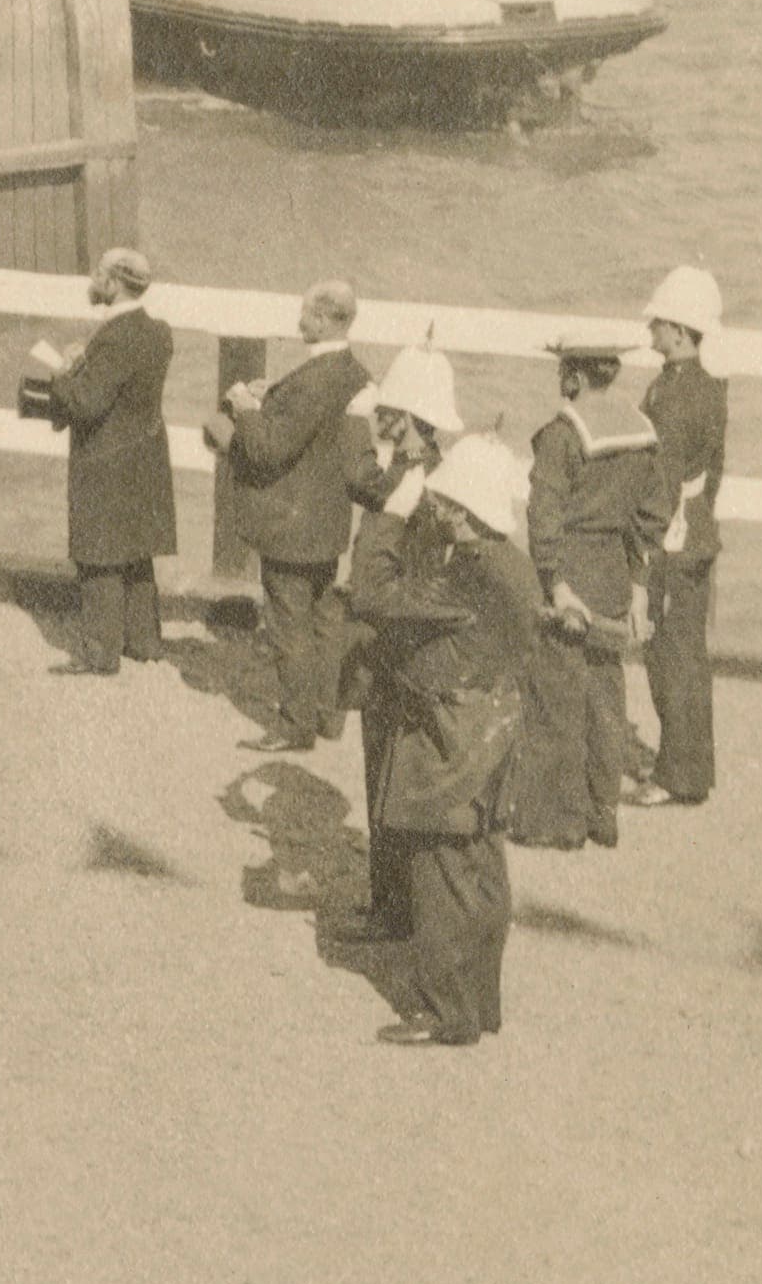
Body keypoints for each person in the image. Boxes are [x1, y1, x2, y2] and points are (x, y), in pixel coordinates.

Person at [350, 437, 544, 1047]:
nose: (438, 513)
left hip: (451, 736)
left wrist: (388, 514)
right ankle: (481, 1002)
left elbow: (374, 596)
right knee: (481, 867)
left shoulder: (470, 574)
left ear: (466, 510)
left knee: (440, 870)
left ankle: (444, 1013)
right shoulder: (506, 562)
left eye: (446, 505)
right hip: (491, 725)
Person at [514, 338, 673, 851]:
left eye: (564, 369)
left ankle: (556, 821)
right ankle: (602, 813)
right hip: (612, 571)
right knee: (606, 694)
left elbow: (544, 516)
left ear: (575, 377)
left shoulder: (564, 434)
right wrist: (640, 591)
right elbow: (653, 519)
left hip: (571, 565)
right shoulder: (641, 431)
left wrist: (556, 583)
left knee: (555, 692)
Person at [334, 345, 461, 946]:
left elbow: (373, 561)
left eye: (387, 407)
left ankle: (392, 911)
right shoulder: (433, 470)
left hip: (390, 644)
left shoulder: (410, 480)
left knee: (385, 777)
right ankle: (402, 905)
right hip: (415, 642)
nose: (379, 412)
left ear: (404, 416)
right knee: (397, 779)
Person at [215, 282, 373, 749]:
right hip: (326, 520)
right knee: (324, 619)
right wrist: (275, 397)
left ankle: (295, 725)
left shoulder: (318, 375)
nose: (299, 321)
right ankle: (327, 715)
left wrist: (246, 410)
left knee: (289, 624)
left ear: (323, 319)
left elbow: (267, 450)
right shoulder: (351, 371)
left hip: (291, 525)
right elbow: (315, 426)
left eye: (304, 314)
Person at [30, 248, 176, 672]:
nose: (93, 283)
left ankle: (100, 652)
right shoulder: (157, 332)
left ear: (113, 283)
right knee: (136, 551)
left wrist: (64, 373)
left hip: (105, 456)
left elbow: (88, 403)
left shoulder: (114, 336)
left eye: (98, 275)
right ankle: (144, 642)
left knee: (99, 554)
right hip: (144, 455)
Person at [635, 266, 729, 807]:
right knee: (689, 654)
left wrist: (644, 547)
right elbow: (711, 472)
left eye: (659, 323)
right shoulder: (711, 388)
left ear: (678, 330)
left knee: (670, 656)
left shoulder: (670, 395)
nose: (651, 330)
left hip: (671, 538)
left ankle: (676, 774)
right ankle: (690, 767)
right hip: (696, 530)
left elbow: (660, 478)